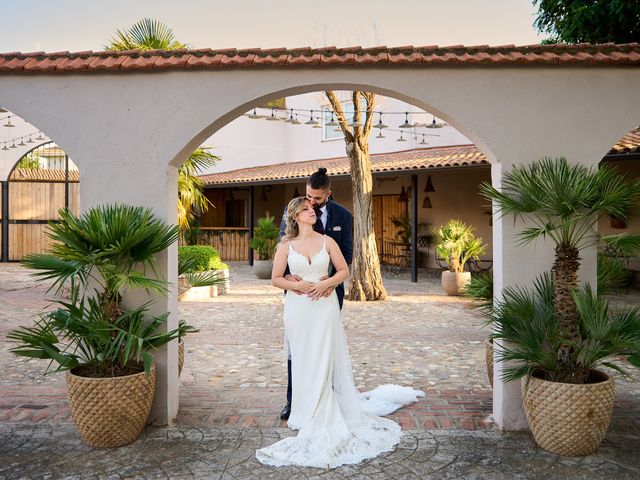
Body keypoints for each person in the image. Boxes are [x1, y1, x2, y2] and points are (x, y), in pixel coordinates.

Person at [256, 196, 424, 469]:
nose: (313, 212)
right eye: (307, 210)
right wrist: (295, 285)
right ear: (296, 216)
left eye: (313, 209)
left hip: (324, 307)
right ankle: (304, 411)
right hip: (298, 308)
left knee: (324, 358)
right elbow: (276, 278)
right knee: (302, 359)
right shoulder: (285, 245)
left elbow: (344, 270)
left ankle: (322, 411)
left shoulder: (328, 241)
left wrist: (327, 285)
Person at [278, 167, 353, 421]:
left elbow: (346, 258)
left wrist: (330, 283)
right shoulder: (292, 214)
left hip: (327, 296)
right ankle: (294, 401)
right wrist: (289, 278)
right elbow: (283, 256)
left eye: (317, 199)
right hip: (298, 299)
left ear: (328, 194)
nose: (311, 203)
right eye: (308, 197)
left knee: (325, 348)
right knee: (297, 349)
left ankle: (325, 399)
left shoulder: (343, 217)